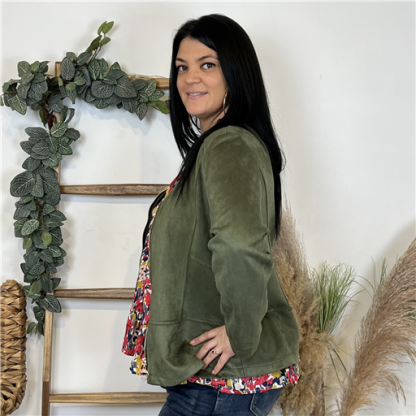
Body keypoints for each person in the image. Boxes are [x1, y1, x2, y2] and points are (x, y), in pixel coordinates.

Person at [122, 13, 300, 416]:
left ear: (236, 73)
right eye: (182, 67)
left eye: (207, 65)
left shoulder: (229, 145)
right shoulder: (219, 147)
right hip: (215, 380)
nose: (190, 79)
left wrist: (240, 333)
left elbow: (239, 245)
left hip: (221, 382)